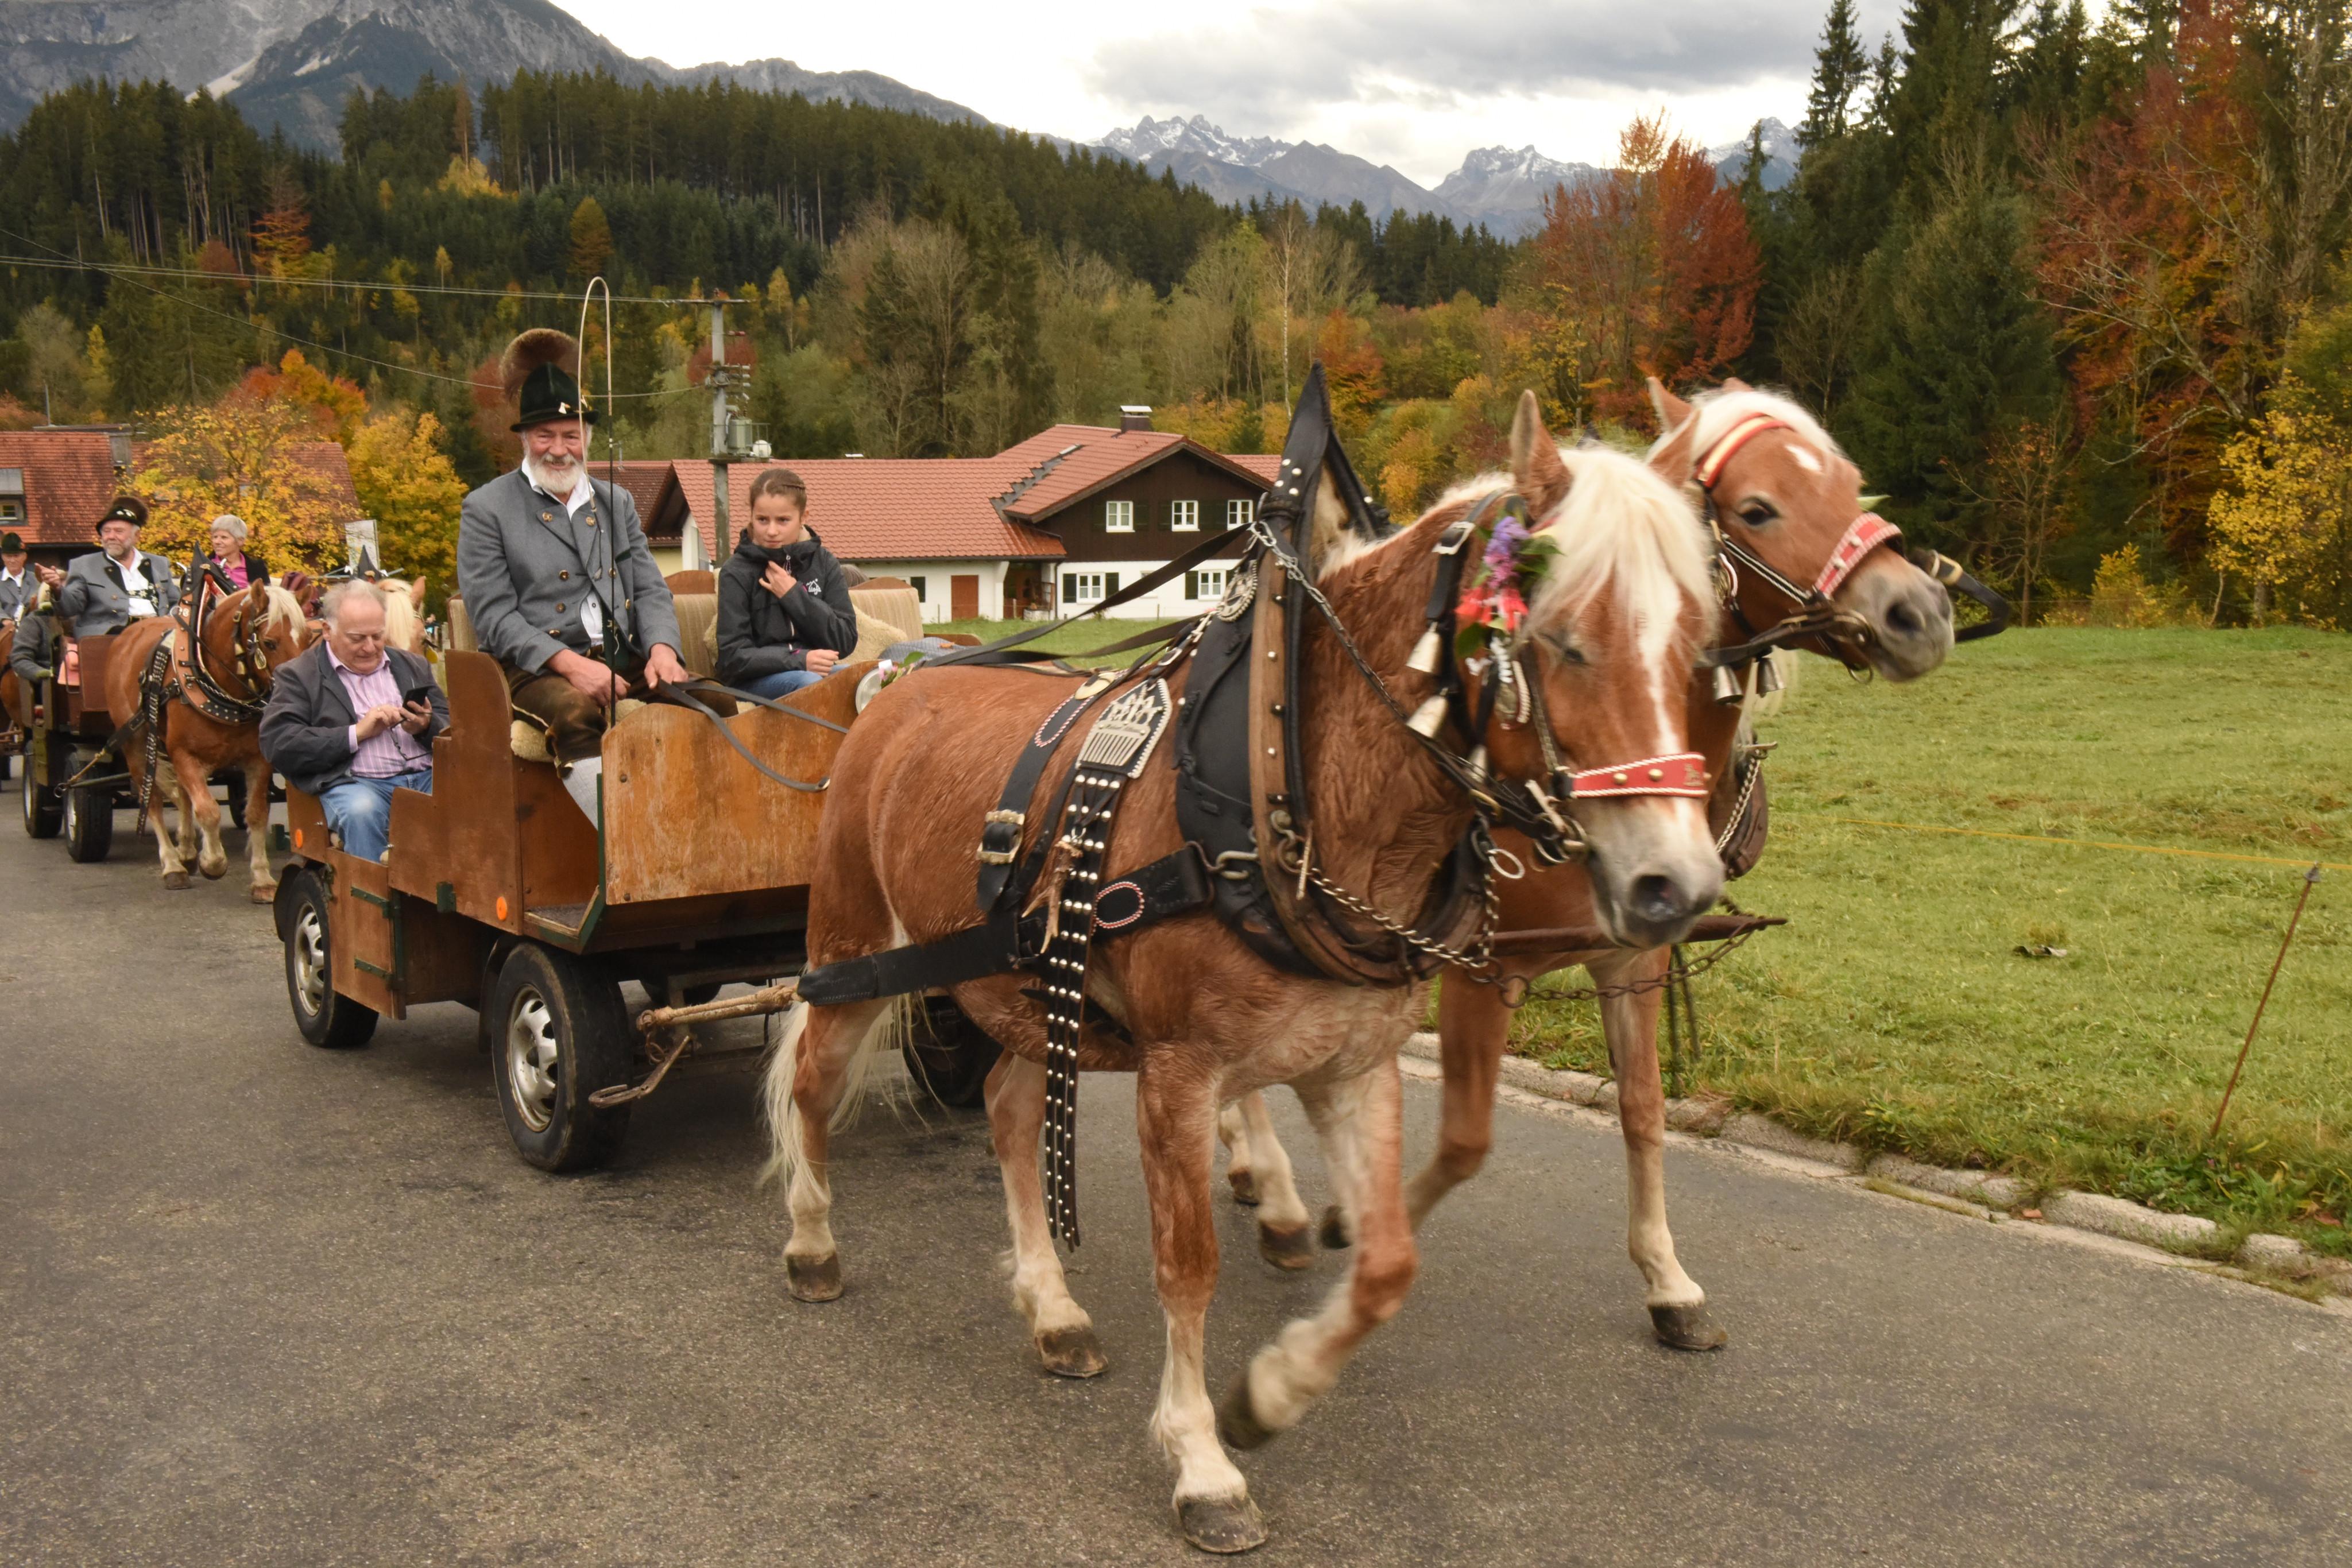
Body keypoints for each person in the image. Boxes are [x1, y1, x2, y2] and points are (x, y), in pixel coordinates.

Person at [455, 327, 687, 823]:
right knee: (576, 714)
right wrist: (572, 666)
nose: (559, 450)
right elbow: (493, 617)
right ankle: (625, 845)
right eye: (545, 435)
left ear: (587, 438)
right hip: (538, 669)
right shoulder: (487, 508)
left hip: (623, 657)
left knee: (709, 703)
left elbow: (649, 587)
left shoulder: (616, 501)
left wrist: (664, 650)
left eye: (571, 435)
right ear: (524, 438)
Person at [260, 579, 447, 863]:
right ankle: (369, 891)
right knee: (363, 811)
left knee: (473, 797)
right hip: (356, 783)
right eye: (357, 639)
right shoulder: (299, 675)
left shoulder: (412, 665)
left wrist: (425, 727)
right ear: (328, 631)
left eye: (378, 636)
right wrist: (356, 733)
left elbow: (452, 723)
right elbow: (279, 743)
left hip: (426, 777)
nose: (370, 648)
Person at [715, 467, 857, 699]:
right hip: (752, 683)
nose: (771, 531)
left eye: (783, 520)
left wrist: (793, 595)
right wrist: (800, 660)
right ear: (752, 516)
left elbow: (845, 641)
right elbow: (732, 657)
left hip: (810, 672)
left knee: (865, 678)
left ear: (803, 517)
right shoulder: (735, 572)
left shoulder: (824, 562)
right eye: (762, 520)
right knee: (809, 682)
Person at [51, 496, 179, 636]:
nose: (111, 537)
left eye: (119, 531)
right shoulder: (84, 565)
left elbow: (176, 603)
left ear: (137, 536)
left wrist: (171, 619)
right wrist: (57, 589)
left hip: (159, 633)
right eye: (106, 531)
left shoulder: (159, 564)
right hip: (109, 636)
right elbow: (70, 609)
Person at [195, 515, 269, 591]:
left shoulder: (257, 568)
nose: (217, 542)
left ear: (240, 541)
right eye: (215, 537)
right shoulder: (202, 568)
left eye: (224, 537)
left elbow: (266, 596)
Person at [0, 532, 33, 624]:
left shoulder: (36, 580)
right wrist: (5, 620)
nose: (12, 560)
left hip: (32, 629)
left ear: (25, 556)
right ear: (3, 557)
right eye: (9, 556)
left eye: (16, 556)